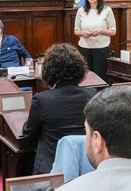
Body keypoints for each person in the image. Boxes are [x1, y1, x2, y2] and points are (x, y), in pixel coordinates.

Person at [21, 43, 97, 174]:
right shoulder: (92, 94)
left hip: (52, 170)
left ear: (49, 71)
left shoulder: (42, 100)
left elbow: (29, 135)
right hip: (85, 168)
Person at [74, 0, 116, 81]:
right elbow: (76, 30)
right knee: (85, 78)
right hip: (84, 48)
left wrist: (101, 31)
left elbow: (113, 31)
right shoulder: (81, 11)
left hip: (101, 50)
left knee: (100, 78)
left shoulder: (107, 10)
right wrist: (83, 33)